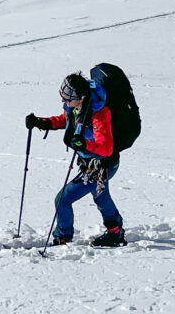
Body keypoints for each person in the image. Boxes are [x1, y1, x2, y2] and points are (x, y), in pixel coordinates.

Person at [27, 72, 127, 246]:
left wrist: (84, 145)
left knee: (63, 199)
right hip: (92, 164)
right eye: (63, 98)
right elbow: (66, 120)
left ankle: (63, 236)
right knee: (100, 196)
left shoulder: (99, 114)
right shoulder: (76, 108)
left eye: (67, 100)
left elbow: (106, 147)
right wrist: (41, 122)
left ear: (80, 98)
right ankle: (115, 231)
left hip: (102, 164)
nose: (64, 102)